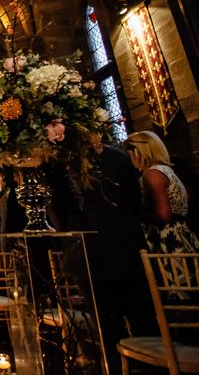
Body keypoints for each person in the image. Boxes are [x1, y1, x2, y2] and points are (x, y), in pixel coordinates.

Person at [49, 144, 156, 373]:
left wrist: (67, 236)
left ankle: (116, 369)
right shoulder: (120, 157)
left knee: (107, 328)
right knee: (144, 322)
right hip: (129, 247)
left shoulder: (61, 164)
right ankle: (151, 368)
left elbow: (57, 210)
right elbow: (136, 203)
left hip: (90, 251)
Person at [125, 131, 199, 254]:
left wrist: (137, 215)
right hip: (182, 232)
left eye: (128, 150)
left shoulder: (152, 174)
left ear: (138, 151)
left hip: (169, 237)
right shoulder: (165, 169)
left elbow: (163, 215)